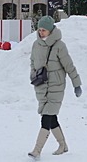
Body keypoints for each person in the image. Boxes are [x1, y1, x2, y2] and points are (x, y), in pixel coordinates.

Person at [28, 16, 82, 159]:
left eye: (44, 30)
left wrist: (77, 84)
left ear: (51, 30)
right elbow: (32, 61)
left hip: (56, 87)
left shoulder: (59, 46)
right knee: (51, 117)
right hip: (41, 86)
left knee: (46, 117)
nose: (41, 33)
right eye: (39, 30)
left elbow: (69, 66)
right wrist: (33, 74)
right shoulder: (36, 44)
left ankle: (37, 150)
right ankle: (62, 145)